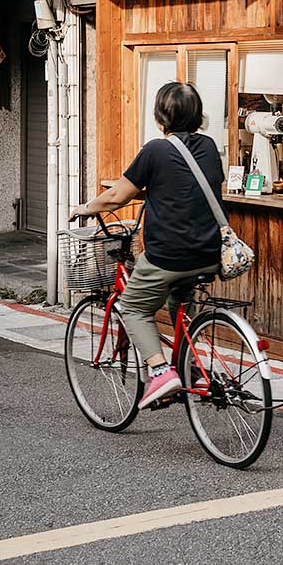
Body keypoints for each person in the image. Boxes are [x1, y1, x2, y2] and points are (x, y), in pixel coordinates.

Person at [72, 81, 224, 410]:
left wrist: (84, 208)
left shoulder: (156, 150)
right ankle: (188, 364)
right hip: (210, 253)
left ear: (161, 119)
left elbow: (117, 196)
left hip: (168, 256)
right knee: (178, 299)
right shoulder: (210, 147)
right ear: (199, 117)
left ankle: (159, 370)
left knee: (134, 307)